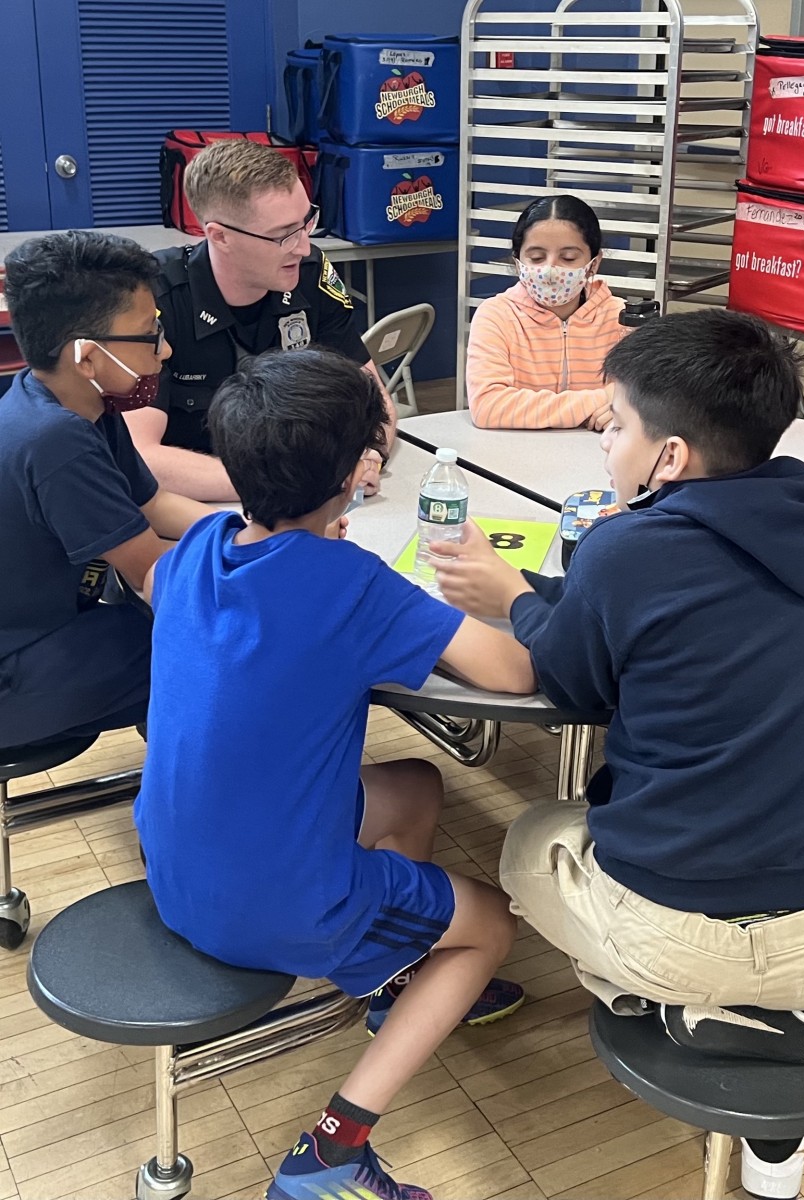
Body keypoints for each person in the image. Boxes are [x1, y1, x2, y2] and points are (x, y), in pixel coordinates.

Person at [438, 309, 804, 1200]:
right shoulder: (800, 511)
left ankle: (678, 1003)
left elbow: (563, 675)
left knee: (530, 838)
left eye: (615, 424)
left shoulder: (624, 546)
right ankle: (778, 1113)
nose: (606, 440)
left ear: (670, 456)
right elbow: (661, 601)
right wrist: (543, 589)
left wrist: (510, 597)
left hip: (677, 931)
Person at [133, 348, 535, 1200]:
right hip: (275, 899)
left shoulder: (202, 541)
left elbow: (175, 592)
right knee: (495, 923)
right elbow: (511, 674)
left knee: (418, 786)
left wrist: (306, 548)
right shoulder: (353, 584)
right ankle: (333, 1151)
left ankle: (397, 981)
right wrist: (504, 589)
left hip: (176, 869)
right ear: (361, 472)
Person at [0, 231, 212, 747]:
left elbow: (153, 503)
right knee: (227, 651)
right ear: (87, 357)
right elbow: (150, 570)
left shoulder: (77, 401)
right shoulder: (56, 441)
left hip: (53, 626)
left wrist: (251, 527)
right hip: (16, 672)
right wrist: (271, 560)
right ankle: (218, 804)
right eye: (147, 336)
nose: (165, 349)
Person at [124, 139, 394, 502]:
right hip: (195, 510)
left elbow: (372, 398)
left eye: (305, 223)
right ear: (219, 236)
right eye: (282, 235)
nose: (302, 246)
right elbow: (141, 457)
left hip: (303, 504)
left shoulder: (311, 274)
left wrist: (369, 454)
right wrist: (292, 485)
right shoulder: (153, 300)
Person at [465, 194, 626, 430]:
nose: (550, 270)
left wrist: (626, 402)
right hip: (511, 456)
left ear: (594, 263)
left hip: (597, 456)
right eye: (537, 257)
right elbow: (488, 406)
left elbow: (651, 398)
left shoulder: (621, 317)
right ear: (517, 261)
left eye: (568, 257)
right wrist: (608, 399)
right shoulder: (495, 316)